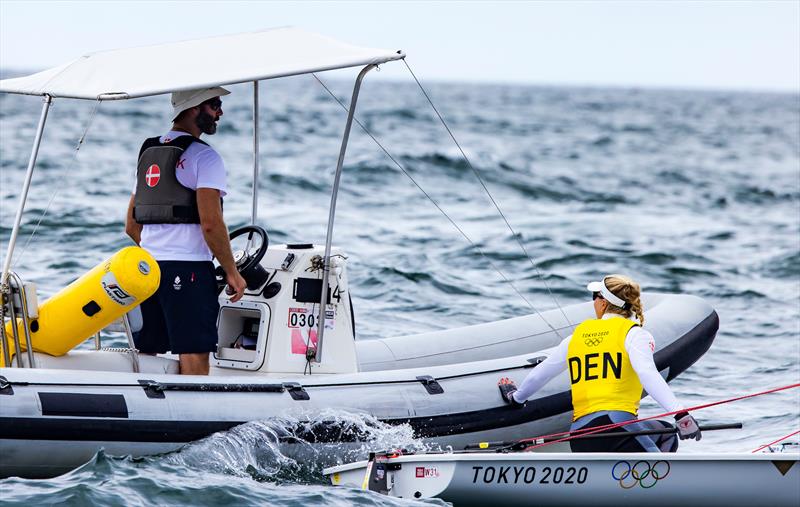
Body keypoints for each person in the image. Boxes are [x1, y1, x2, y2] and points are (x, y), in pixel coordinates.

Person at [498, 274, 701, 452]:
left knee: (665, 432)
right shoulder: (633, 334)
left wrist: (515, 397)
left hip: (578, 435)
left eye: (595, 297)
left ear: (603, 303)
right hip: (615, 427)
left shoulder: (575, 338)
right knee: (665, 445)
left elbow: (540, 374)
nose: (594, 302)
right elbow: (648, 374)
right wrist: (681, 415)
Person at [125, 87, 246, 375]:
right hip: (189, 270)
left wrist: (161, 250)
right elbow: (211, 223)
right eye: (215, 105)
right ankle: (197, 414)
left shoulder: (149, 152)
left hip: (147, 269)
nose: (220, 112)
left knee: (147, 352)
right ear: (194, 108)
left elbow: (131, 225)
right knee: (193, 351)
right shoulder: (205, 157)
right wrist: (231, 271)